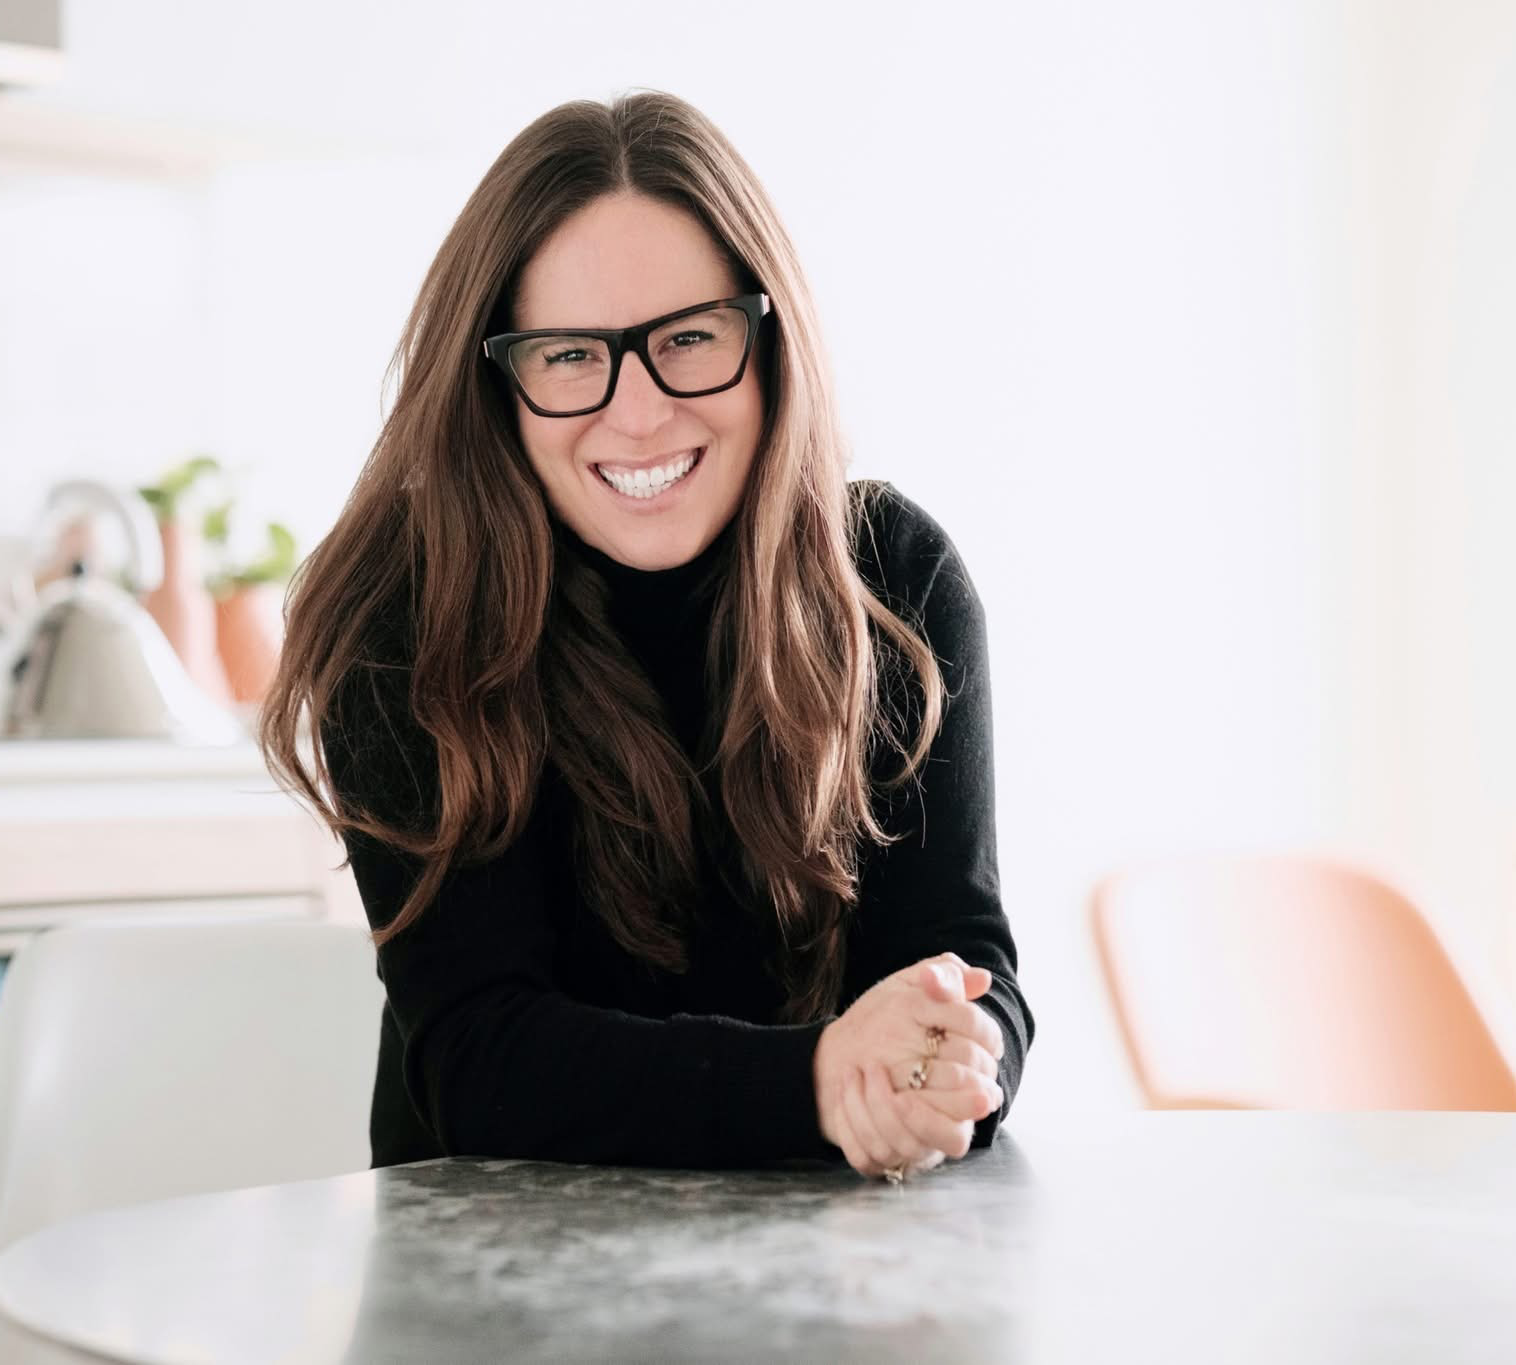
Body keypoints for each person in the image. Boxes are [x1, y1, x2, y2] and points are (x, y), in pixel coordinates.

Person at [259, 90, 1032, 1183]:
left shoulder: (892, 581)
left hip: (844, 1253)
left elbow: (964, 967)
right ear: (497, 382)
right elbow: (478, 1061)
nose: (637, 411)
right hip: (495, 1273)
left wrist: (955, 1057)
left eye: (688, 338)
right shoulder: (404, 615)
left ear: (769, 344)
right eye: (571, 355)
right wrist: (817, 1082)